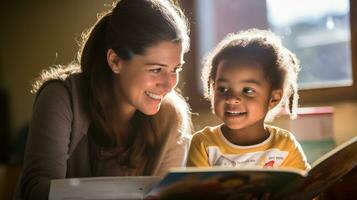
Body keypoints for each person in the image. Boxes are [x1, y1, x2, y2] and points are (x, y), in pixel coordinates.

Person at [14, 0, 192, 199]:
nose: (169, 85)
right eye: (156, 70)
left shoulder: (171, 117)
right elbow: (36, 192)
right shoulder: (61, 97)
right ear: (115, 61)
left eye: (175, 69)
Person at [187, 29, 310, 170]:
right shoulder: (204, 144)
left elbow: (306, 189)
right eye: (223, 89)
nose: (232, 99)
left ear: (273, 98)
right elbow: (197, 192)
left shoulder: (286, 146)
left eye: (248, 90)